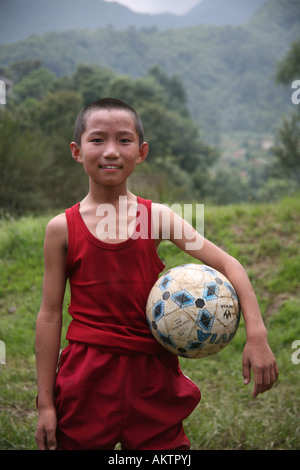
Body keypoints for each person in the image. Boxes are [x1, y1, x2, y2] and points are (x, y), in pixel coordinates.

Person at [35, 98, 279, 451]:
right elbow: (49, 314)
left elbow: (229, 265)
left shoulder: (157, 218)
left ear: (142, 151)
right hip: (86, 375)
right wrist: (45, 403)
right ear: (76, 150)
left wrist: (256, 333)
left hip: (153, 376)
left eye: (124, 140)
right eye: (97, 139)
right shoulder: (61, 229)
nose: (111, 151)